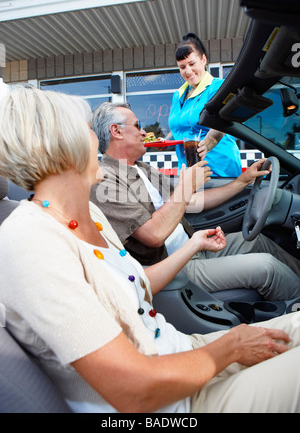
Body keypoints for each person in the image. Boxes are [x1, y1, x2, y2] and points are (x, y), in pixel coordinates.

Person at [1, 86, 300, 414]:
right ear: (59, 144)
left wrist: (196, 241)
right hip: (172, 402)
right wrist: (232, 346)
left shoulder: (89, 216)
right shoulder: (29, 242)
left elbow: (135, 280)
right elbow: (134, 391)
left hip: (181, 353)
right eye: (88, 129)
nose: (97, 142)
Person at [90, 102, 300, 302]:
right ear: (116, 131)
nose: (144, 132)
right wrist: (187, 185)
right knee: (266, 267)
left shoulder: (143, 169)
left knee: (257, 241)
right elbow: (153, 235)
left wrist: (241, 181)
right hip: (174, 266)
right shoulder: (105, 180)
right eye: (137, 126)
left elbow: (192, 201)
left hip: (194, 247)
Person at [168, 32, 242, 177]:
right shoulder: (177, 95)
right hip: (188, 170)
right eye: (182, 67)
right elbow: (179, 125)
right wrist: (165, 140)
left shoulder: (219, 87)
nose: (188, 71)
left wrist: (205, 146)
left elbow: (221, 125)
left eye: (192, 64)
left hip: (218, 169)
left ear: (203, 59)